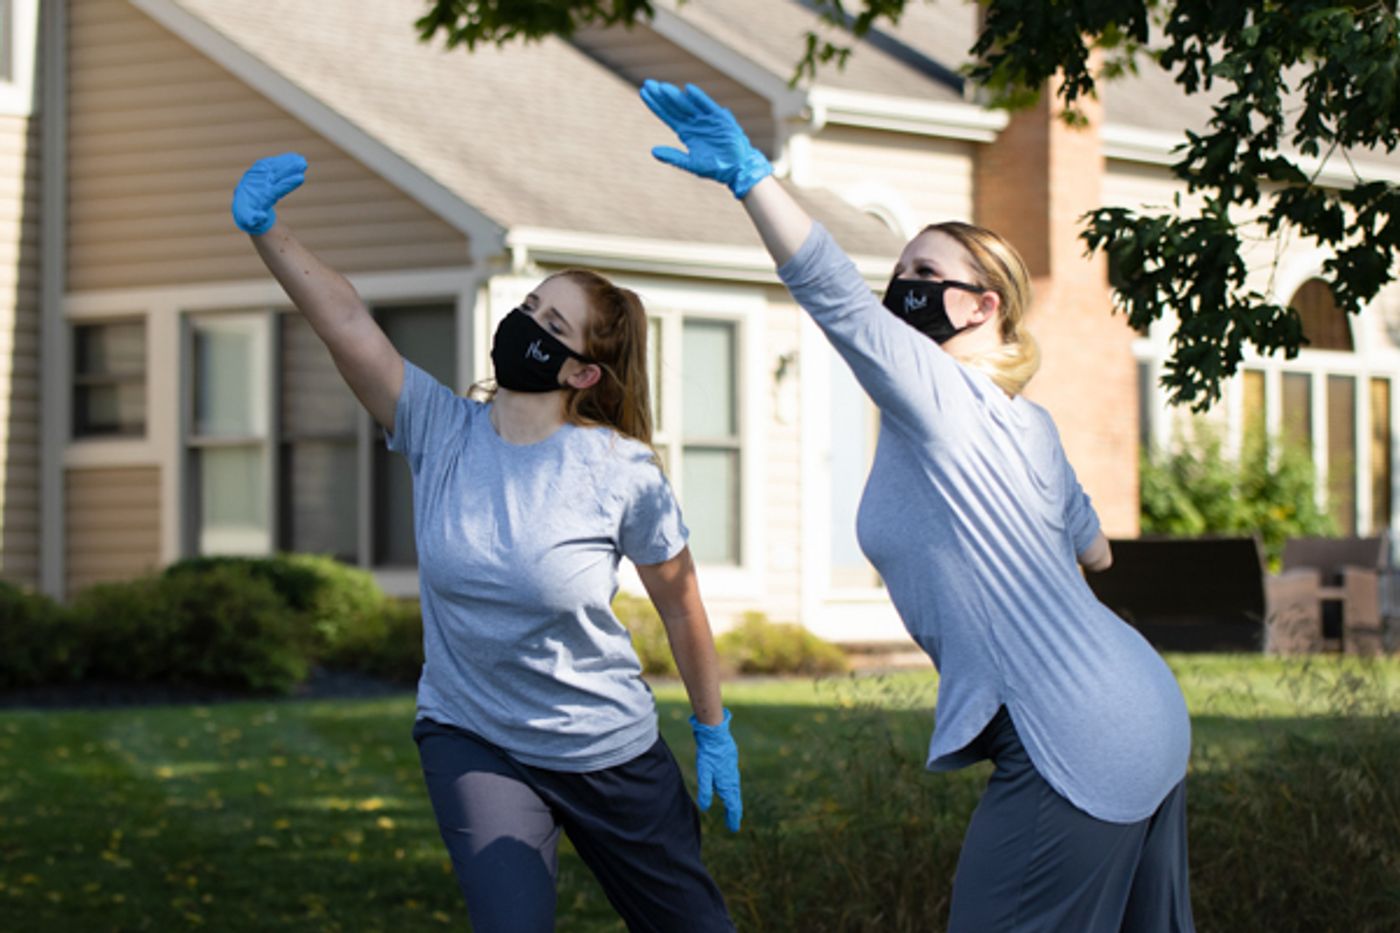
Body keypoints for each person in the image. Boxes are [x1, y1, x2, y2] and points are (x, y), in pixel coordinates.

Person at [640, 81, 1195, 933]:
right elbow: (1097, 552)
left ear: (983, 305)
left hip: (1074, 732)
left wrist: (754, 179)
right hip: (1144, 703)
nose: (904, 285)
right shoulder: (1028, 422)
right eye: (899, 272)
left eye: (927, 275)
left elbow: (833, 293)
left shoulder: (941, 390)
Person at [231, 152, 740, 933]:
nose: (525, 324)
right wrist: (269, 231)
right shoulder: (438, 429)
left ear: (583, 374)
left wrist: (711, 727)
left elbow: (680, 600)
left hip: (604, 744)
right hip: (475, 734)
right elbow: (347, 323)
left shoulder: (620, 470)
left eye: (552, 326)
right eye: (530, 306)